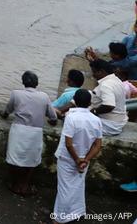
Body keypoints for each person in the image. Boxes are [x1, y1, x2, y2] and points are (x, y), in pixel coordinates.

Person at [0, 70, 57, 196]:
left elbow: (7, 111)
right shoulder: (44, 96)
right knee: (32, 160)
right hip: (35, 132)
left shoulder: (16, 94)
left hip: (19, 130)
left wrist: (2, 114)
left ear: (23, 82)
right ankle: (25, 185)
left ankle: (15, 184)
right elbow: (53, 118)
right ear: (37, 83)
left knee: (14, 158)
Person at [53, 89, 103, 222]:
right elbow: (97, 145)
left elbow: (69, 144)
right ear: (89, 102)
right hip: (84, 159)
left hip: (68, 158)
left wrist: (77, 160)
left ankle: (59, 219)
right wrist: (85, 160)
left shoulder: (71, 117)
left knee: (64, 189)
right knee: (77, 187)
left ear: (75, 101)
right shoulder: (96, 120)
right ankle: (76, 213)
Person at [89, 59, 129, 136]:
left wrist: (94, 111)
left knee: (74, 121)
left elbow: (109, 105)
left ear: (101, 71)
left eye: (94, 72)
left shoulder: (106, 85)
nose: (93, 75)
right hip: (118, 122)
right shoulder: (117, 80)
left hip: (109, 125)